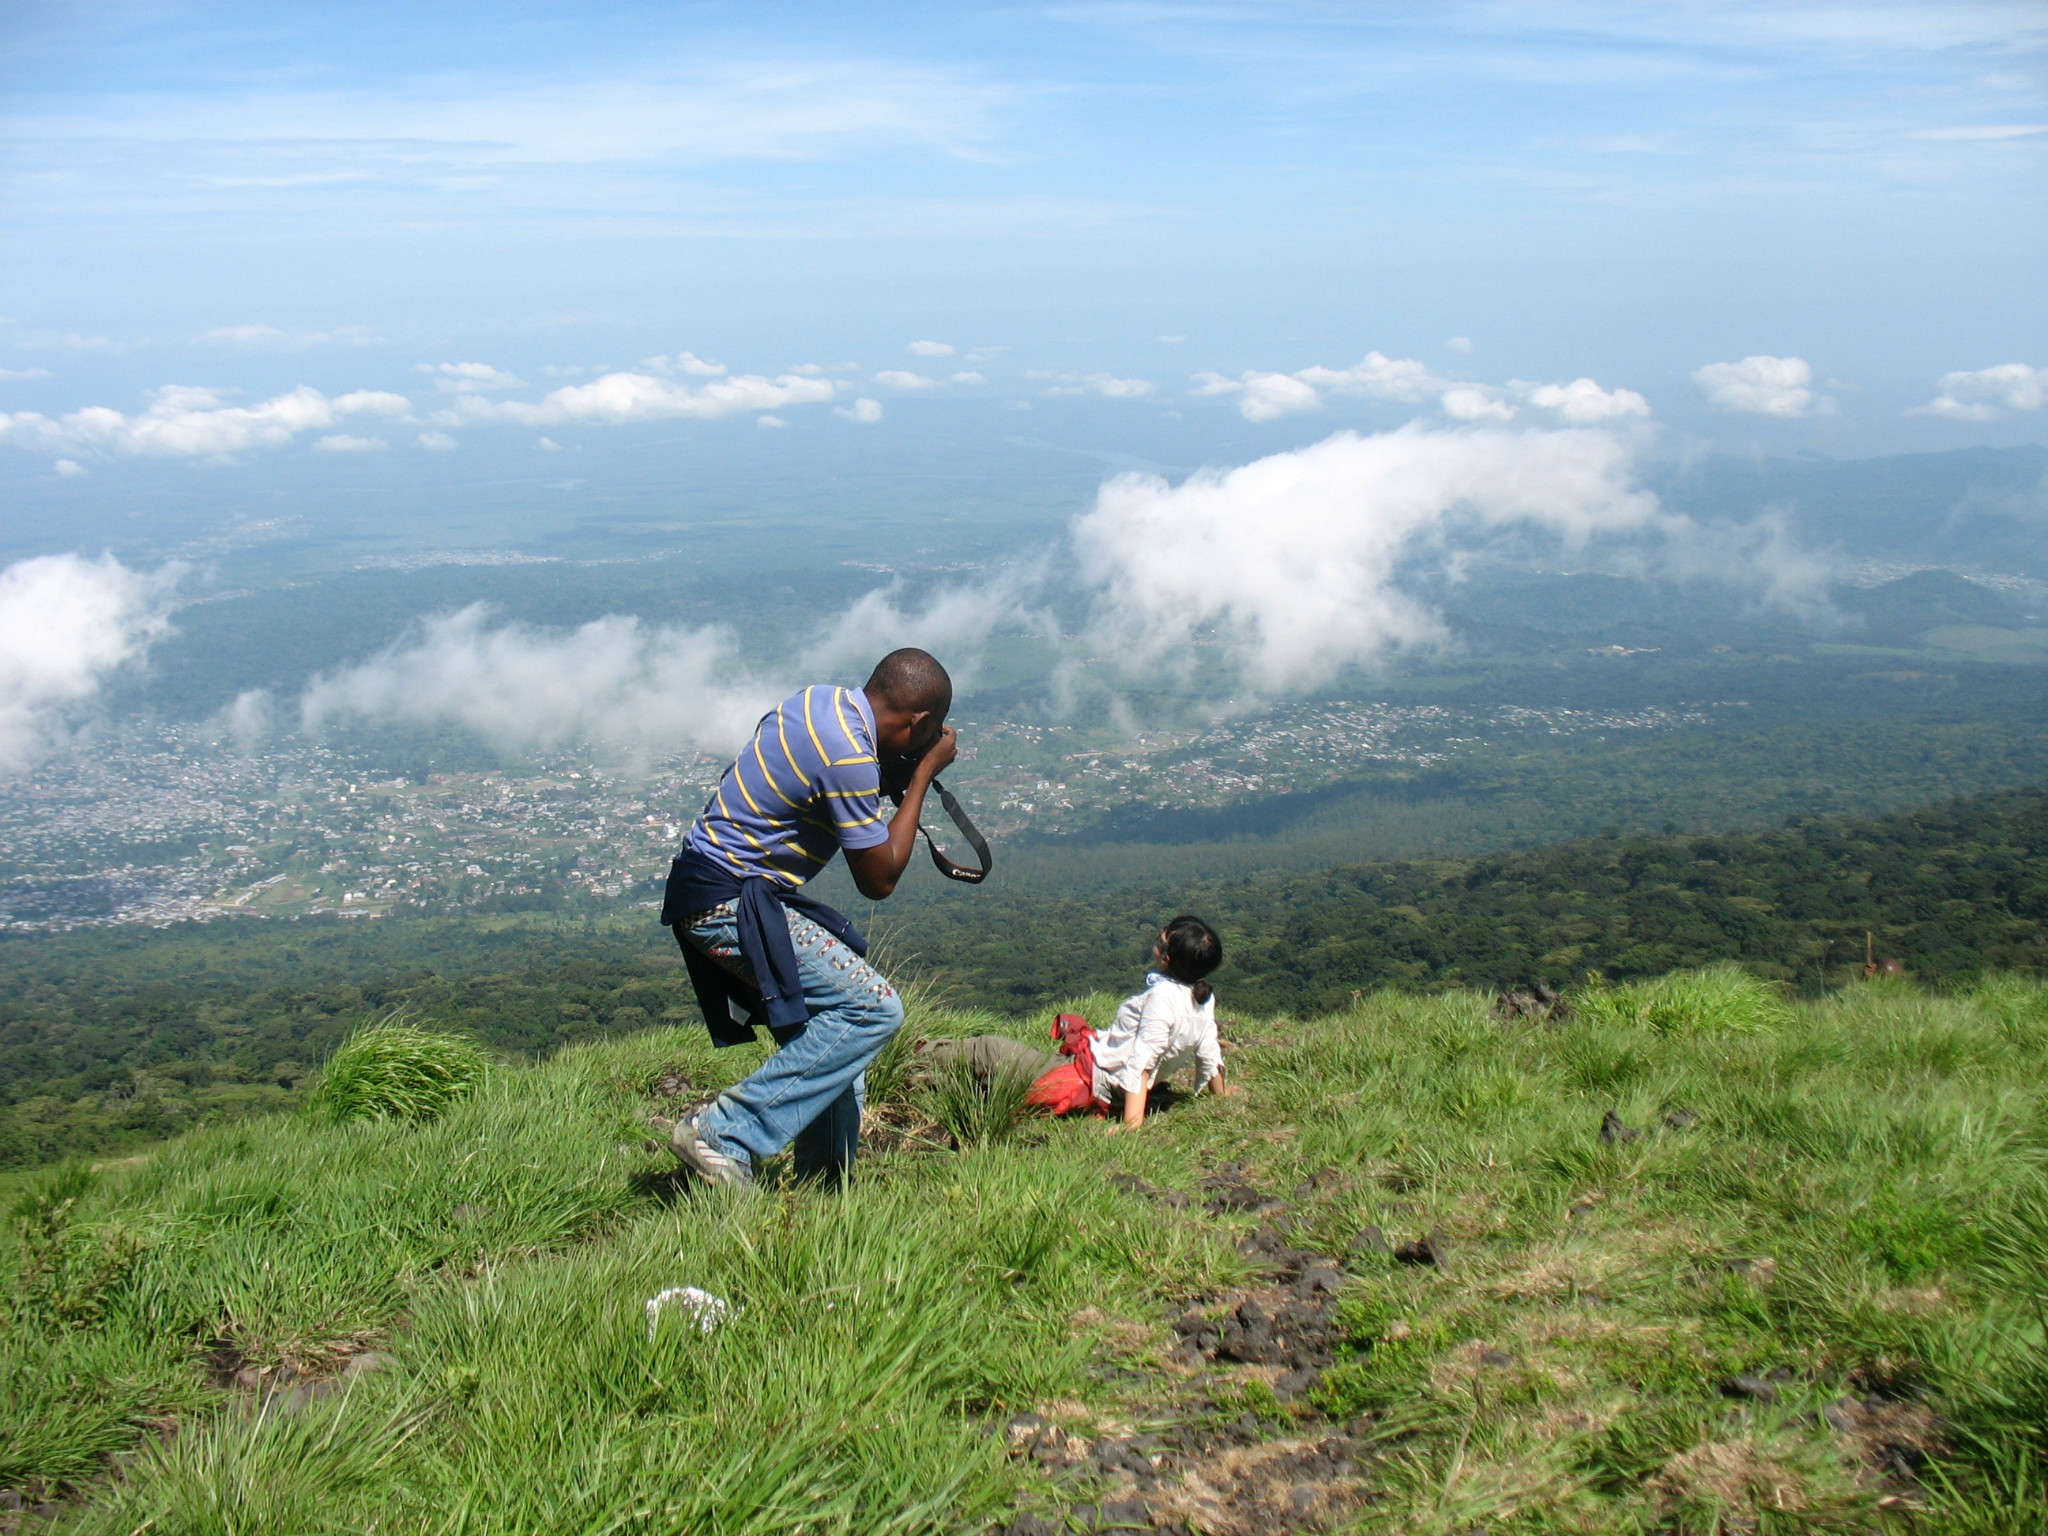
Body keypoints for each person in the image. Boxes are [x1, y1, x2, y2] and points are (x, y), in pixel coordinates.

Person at [657, 647, 957, 1187]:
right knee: (873, 1009)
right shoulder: (850, 757)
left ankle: (823, 1195)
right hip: (727, 903)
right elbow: (879, 880)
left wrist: (893, 770)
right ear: (919, 722)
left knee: (834, 1041)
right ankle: (723, 1132)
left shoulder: (819, 702)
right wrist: (921, 777)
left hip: (710, 888)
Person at [1091, 915, 1232, 1129]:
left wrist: (1132, 1124)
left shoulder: (1162, 997)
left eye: (1160, 940)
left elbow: (1142, 1060)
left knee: (1022, 1058)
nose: (1156, 940)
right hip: (1117, 1078)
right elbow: (1208, 1050)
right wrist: (1220, 1095)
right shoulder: (1203, 997)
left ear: (1166, 958)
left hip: (1102, 1078)